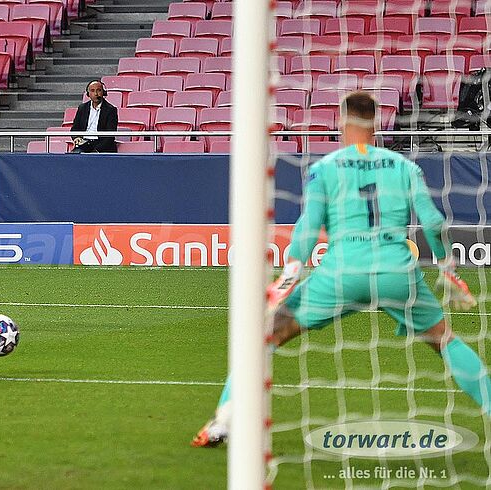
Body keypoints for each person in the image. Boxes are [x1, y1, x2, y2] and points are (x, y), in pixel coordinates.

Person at [192, 91, 486, 447]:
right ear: (376, 125)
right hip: (396, 274)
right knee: (445, 339)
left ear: (342, 123)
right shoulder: (405, 167)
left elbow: (308, 226)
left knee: (263, 336)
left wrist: (288, 277)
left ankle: (223, 423)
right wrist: (447, 268)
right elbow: (434, 222)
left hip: (341, 273)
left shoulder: (325, 168)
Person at [70, 80, 118, 153]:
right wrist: (76, 138)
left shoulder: (111, 110)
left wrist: (96, 151)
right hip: (84, 143)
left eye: (99, 90)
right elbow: (75, 128)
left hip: (102, 146)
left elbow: (110, 136)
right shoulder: (82, 108)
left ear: (103, 92)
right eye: (92, 91)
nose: (96, 94)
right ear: (88, 94)